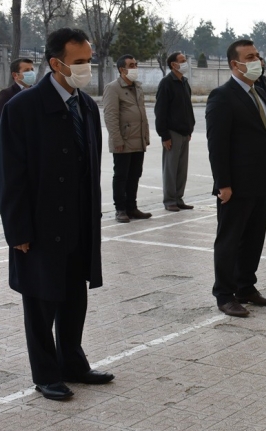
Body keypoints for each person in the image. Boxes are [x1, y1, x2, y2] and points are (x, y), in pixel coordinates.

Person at [0, 28, 113, 401]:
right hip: (40, 225)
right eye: (79, 63)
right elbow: (10, 176)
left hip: (79, 223)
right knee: (40, 301)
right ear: (56, 63)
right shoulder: (23, 108)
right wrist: (17, 230)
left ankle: (73, 363)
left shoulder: (86, 105)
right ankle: (46, 374)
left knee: (73, 298)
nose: (86, 68)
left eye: (88, 60)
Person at [206, 39, 266, 318]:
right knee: (230, 240)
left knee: (253, 238)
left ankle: (246, 287)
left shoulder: (258, 91)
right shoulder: (222, 96)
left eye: (257, 55)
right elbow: (217, 144)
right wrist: (223, 183)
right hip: (235, 185)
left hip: (261, 180)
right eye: (250, 57)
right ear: (235, 64)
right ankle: (224, 294)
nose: (257, 61)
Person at [103, 54, 152, 223]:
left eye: (136, 64)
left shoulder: (138, 87)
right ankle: (120, 209)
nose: (135, 67)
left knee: (135, 174)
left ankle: (132, 207)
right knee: (121, 175)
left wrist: (145, 136)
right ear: (121, 69)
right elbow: (110, 116)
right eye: (131, 65)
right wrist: (117, 140)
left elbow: (142, 114)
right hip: (123, 140)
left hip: (138, 140)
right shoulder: (113, 88)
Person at [154, 51, 196, 211]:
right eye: (182, 60)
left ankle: (179, 198)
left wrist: (190, 127)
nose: (185, 63)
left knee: (181, 168)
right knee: (170, 168)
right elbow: (161, 111)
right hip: (172, 132)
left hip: (185, 132)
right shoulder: (166, 83)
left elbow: (188, 108)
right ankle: (170, 200)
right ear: (173, 64)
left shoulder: (184, 82)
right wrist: (164, 135)